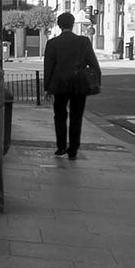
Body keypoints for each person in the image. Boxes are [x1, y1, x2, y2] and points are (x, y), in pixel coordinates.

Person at [42, 11, 101, 160]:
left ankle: (61, 146)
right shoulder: (84, 42)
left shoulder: (52, 43)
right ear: (72, 24)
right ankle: (73, 149)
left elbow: (48, 67)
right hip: (79, 84)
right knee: (77, 117)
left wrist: (47, 88)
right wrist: (96, 81)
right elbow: (94, 64)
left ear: (59, 25)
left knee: (60, 116)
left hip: (59, 84)